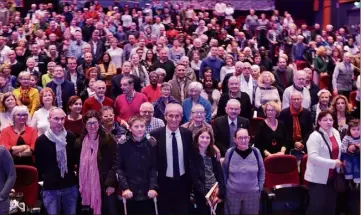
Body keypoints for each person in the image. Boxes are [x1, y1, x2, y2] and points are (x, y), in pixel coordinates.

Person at [150, 103, 193, 215]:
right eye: (171, 115)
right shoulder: (155, 134)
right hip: (163, 183)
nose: (174, 119)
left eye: (177, 116)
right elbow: (152, 161)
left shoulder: (187, 134)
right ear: (165, 116)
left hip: (183, 182)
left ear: (181, 117)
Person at [34, 108, 78, 215]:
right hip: (50, 188)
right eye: (56, 119)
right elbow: (39, 165)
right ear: (49, 119)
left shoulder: (71, 137)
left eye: (62, 119)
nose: (60, 122)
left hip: (70, 185)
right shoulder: (41, 141)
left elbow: (74, 160)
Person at [75, 111, 118, 215]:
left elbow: (116, 162)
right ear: (85, 125)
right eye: (89, 123)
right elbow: (78, 164)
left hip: (105, 184)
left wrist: (111, 184)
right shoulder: (79, 142)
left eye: (95, 123)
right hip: (87, 186)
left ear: (99, 123)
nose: (92, 126)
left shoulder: (108, 139)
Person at [116, 115, 158, 214]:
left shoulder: (151, 143)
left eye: (142, 126)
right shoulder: (123, 144)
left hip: (147, 189)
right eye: (136, 126)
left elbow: (153, 168)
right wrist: (125, 188)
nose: (140, 129)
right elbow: (119, 168)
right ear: (130, 128)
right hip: (130, 189)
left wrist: (153, 187)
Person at [305, 110, 343, 215]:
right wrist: (333, 163)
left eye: (331, 119)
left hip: (333, 177)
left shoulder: (335, 132)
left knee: (330, 207)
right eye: (325, 120)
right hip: (318, 179)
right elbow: (313, 158)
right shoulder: (314, 136)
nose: (328, 122)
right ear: (319, 122)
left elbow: (339, 150)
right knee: (316, 208)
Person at [223, 128, 265, 215]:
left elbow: (262, 171)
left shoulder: (256, 152)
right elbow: (224, 171)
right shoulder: (229, 153)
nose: (243, 140)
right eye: (240, 138)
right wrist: (226, 189)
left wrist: (259, 188)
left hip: (252, 194)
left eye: (245, 137)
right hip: (232, 194)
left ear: (249, 138)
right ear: (235, 139)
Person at [189, 128, 225, 215]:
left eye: (207, 138)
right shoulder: (192, 154)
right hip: (201, 193)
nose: (205, 140)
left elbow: (219, 174)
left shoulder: (214, 153)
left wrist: (220, 193)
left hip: (215, 191)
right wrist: (207, 196)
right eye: (202, 137)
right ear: (197, 138)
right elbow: (194, 178)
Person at [341, 119, 360, 184]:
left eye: (358, 129)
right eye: (353, 129)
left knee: (356, 164)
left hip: (358, 157)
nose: (356, 131)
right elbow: (342, 148)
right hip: (348, 156)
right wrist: (347, 149)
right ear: (349, 130)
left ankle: (357, 179)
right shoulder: (347, 137)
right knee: (348, 164)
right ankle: (349, 178)